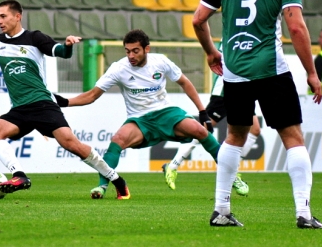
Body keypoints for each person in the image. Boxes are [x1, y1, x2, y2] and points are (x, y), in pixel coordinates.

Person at [192, 0, 322, 229]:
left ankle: (221, 210)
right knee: (293, 137)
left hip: (234, 71)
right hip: (270, 69)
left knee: (234, 136)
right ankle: (303, 213)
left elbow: (198, 19)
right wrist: (311, 72)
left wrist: (212, 52)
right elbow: (296, 26)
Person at [0, 0, 131, 199]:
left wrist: (68, 46)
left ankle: (117, 180)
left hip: (42, 103)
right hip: (20, 109)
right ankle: (19, 176)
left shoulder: (35, 38)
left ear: (18, 17)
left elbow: (60, 52)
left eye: (3, 16)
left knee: (72, 144)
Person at [53, 29, 220, 199]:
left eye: (135, 51)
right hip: (140, 119)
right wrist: (65, 102)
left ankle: (231, 175)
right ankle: (101, 186)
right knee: (117, 140)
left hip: (166, 112)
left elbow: (184, 82)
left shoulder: (161, 61)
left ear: (146, 49)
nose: (131, 55)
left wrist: (202, 111)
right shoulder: (119, 68)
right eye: (127, 51)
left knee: (200, 131)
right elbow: (92, 95)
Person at [163, 43, 257, 196]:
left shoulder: (249, 34)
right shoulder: (231, 37)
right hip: (224, 92)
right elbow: (227, 62)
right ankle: (173, 166)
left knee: (255, 129)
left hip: (244, 91)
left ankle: (233, 170)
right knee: (201, 131)